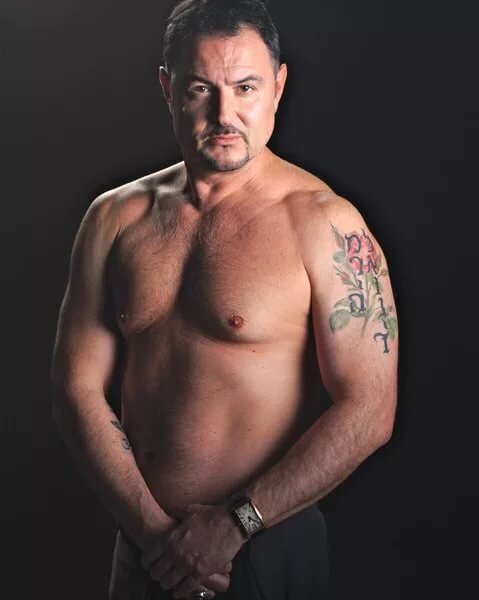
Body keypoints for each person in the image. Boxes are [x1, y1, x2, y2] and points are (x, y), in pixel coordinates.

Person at [50, 1, 398, 598]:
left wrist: (235, 525)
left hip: (262, 546)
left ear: (278, 87)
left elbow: (370, 408)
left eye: (245, 88)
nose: (224, 113)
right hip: (145, 550)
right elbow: (76, 388)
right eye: (200, 89)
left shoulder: (324, 224)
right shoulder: (115, 218)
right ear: (167, 88)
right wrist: (154, 534)